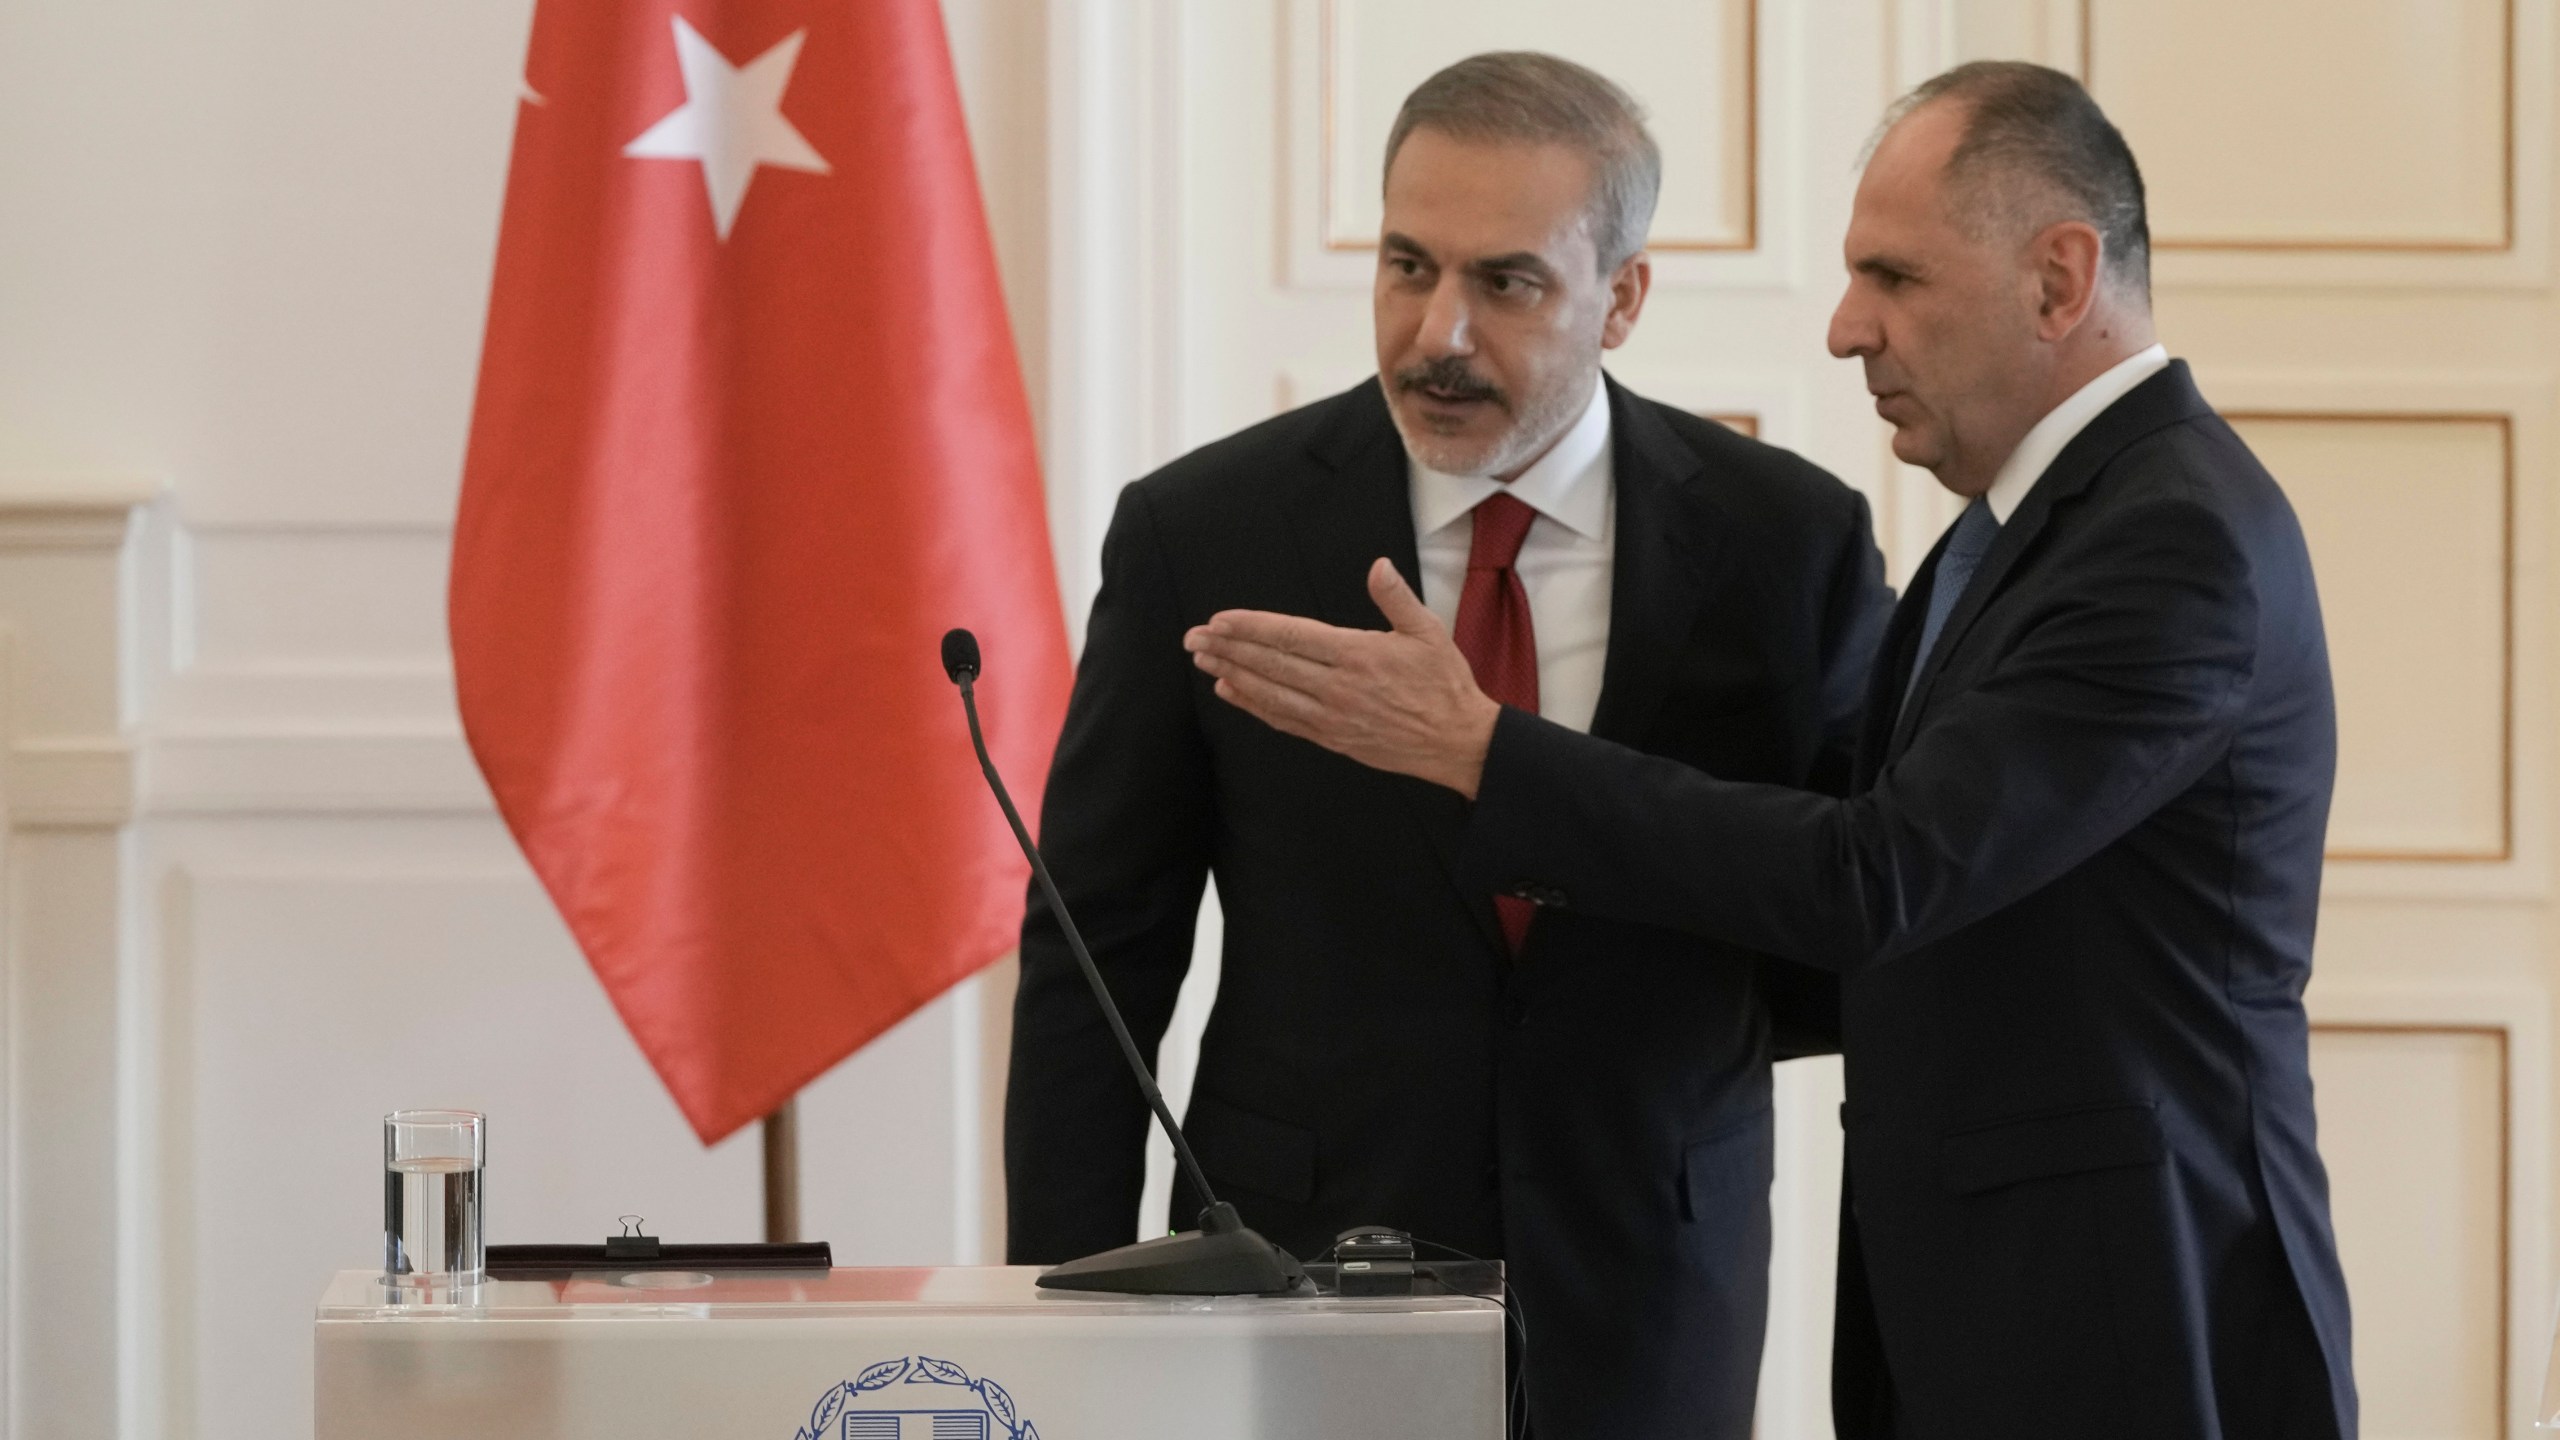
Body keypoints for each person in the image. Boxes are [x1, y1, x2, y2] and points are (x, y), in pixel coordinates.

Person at [1186, 61, 2355, 1440]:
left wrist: (1486, 754)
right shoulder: (2032, 526)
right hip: (2007, 1289)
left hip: (2127, 1301)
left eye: (1896, 279)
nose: (1847, 330)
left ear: (2058, 281)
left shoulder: (2171, 541)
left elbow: (1877, 874)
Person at [1006, 51, 1892, 1440]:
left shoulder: (1788, 544)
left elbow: (1839, 911)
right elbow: (1095, 945)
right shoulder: (1208, 532)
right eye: (1407, 266)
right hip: (1291, 1261)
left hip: (1651, 1269)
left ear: (1625, 297)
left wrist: (1651, 1057)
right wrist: (1055, 1301)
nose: (1439, 334)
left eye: (1507, 282)